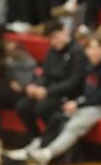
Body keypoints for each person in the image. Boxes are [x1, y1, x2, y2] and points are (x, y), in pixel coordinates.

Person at [14, 37, 101, 165]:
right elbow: (85, 92)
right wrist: (74, 102)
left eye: (96, 48)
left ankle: (48, 153)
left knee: (75, 125)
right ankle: (37, 146)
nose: (94, 52)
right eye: (90, 49)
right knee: (57, 116)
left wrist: (78, 104)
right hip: (87, 102)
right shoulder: (89, 66)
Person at [13, 20, 87, 151]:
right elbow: (45, 75)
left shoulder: (77, 51)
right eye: (50, 39)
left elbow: (74, 81)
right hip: (49, 92)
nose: (53, 42)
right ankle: (37, 138)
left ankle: (49, 140)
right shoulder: (51, 52)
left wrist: (48, 91)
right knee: (23, 105)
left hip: (68, 94)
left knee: (42, 108)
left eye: (55, 37)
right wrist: (35, 86)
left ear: (64, 31)